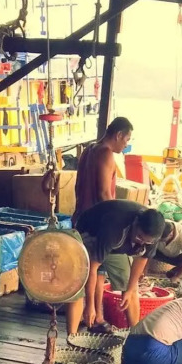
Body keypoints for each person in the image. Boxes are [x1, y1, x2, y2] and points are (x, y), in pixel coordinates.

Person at [67, 200, 165, 336]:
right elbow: (92, 269)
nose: (141, 242)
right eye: (139, 237)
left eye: (147, 241)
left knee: (131, 289)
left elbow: (141, 260)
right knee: (78, 286)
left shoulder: (153, 235)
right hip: (89, 235)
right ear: (135, 223)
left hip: (116, 247)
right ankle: (71, 338)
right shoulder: (116, 226)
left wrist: (129, 290)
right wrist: (89, 306)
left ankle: (134, 335)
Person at [73, 116, 133, 329]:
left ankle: (96, 316)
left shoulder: (89, 150)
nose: (126, 145)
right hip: (98, 224)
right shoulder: (106, 155)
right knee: (126, 277)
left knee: (95, 271)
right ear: (118, 135)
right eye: (126, 140)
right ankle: (135, 330)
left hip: (80, 218)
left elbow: (78, 187)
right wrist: (118, 221)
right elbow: (104, 193)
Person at [150, 218, 182, 282]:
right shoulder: (159, 226)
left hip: (176, 257)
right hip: (159, 253)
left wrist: (177, 276)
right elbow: (147, 252)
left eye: (162, 240)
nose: (160, 241)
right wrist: (143, 272)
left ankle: (175, 270)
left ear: (171, 234)